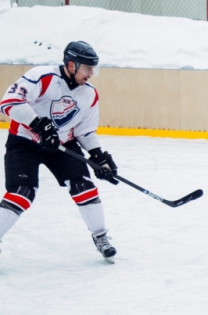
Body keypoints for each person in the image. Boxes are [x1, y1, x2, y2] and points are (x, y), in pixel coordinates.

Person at [0, 41, 119, 262]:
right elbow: (9, 102)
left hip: (62, 145)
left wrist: (98, 155)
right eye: (87, 68)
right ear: (71, 64)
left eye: (94, 69)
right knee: (21, 192)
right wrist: (38, 124)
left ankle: (101, 237)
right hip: (24, 142)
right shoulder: (43, 76)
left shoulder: (89, 94)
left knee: (84, 186)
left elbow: (85, 130)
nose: (91, 74)